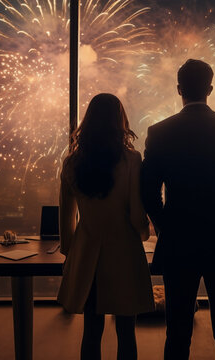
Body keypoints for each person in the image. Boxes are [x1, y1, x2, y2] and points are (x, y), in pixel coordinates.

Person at [141, 59, 215, 360]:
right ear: (210, 88)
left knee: (177, 332)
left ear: (179, 89)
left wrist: (165, 224)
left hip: (179, 241)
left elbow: (147, 191)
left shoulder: (159, 132)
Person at [57, 93, 154, 360]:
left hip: (88, 254)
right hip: (124, 252)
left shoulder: (71, 163)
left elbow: (66, 218)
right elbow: (136, 214)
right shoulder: (131, 160)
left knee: (91, 330)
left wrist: (69, 253)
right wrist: (144, 235)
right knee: (126, 332)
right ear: (119, 121)